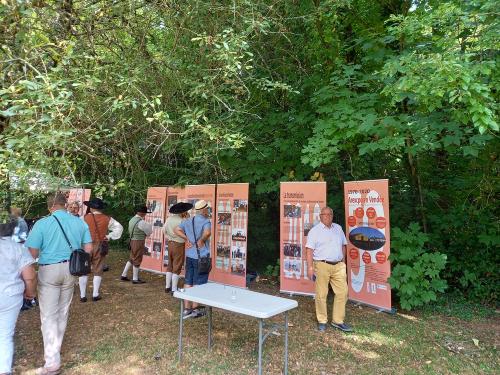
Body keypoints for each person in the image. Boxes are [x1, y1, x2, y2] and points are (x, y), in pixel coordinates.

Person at [26, 193, 92, 374]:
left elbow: (31, 253)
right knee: (62, 312)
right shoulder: (80, 222)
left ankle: (52, 362)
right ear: (65, 204)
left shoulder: (42, 224)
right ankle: (55, 352)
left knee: (48, 316)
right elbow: (89, 248)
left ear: (50, 207)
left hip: (49, 270)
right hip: (71, 270)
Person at [305, 207, 353, 333]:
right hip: (321, 265)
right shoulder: (314, 231)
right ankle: (322, 320)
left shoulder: (338, 228)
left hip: (338, 266)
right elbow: (309, 250)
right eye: (325, 214)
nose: (327, 216)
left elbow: (344, 245)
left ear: (332, 215)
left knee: (342, 292)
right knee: (321, 294)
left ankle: (338, 321)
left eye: (330, 214)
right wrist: (310, 267)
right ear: (320, 216)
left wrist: (343, 262)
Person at [0, 211, 37, 375]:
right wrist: (30, 294)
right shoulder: (17, 247)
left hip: (9, 295)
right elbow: (29, 277)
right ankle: (4, 369)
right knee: (5, 335)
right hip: (10, 296)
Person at [78, 198, 123, 302]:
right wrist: (109, 236)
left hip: (86, 246)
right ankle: (95, 294)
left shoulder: (83, 218)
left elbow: (75, 231)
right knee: (98, 269)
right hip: (100, 245)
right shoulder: (107, 218)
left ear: (91, 207)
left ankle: (83, 296)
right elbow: (119, 228)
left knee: (83, 270)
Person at [175, 200, 212, 319]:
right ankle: (196, 310)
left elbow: (177, 230)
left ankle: (187, 309)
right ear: (203, 210)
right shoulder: (206, 221)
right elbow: (207, 233)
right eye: (207, 209)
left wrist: (187, 239)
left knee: (188, 281)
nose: (208, 211)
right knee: (198, 283)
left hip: (190, 256)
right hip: (201, 257)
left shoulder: (188, 221)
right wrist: (201, 240)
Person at [163, 202, 192, 294]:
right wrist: (188, 219)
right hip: (179, 244)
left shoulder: (169, 219)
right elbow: (188, 232)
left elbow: (163, 230)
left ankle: (167, 287)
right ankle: (174, 289)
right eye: (186, 211)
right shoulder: (182, 221)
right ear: (183, 212)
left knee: (170, 265)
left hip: (170, 243)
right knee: (177, 265)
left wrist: (170, 237)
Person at [120, 205, 152, 284]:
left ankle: (123, 275)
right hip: (138, 242)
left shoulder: (132, 220)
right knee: (137, 259)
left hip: (132, 240)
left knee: (132, 258)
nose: (145, 214)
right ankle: (135, 278)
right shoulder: (141, 222)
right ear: (142, 213)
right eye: (145, 213)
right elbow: (149, 232)